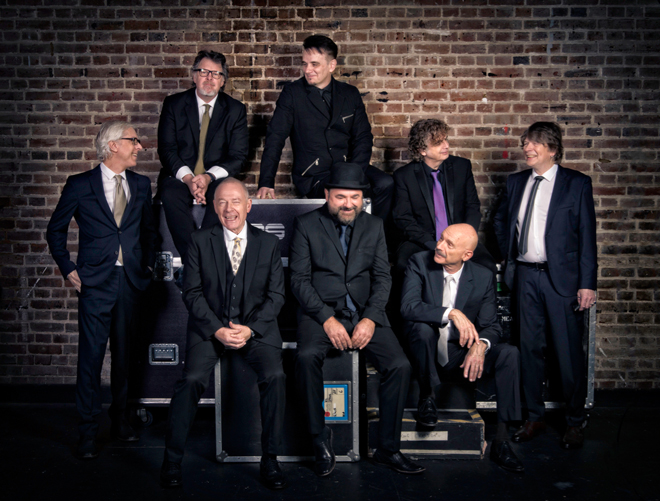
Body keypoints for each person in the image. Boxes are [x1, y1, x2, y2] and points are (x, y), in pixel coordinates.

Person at [289, 163, 424, 476]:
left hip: (365, 313)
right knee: (305, 358)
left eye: (355, 197)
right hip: (320, 313)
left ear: (363, 198)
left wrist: (371, 318)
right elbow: (298, 279)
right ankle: (319, 439)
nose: (348, 204)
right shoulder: (305, 224)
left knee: (400, 366)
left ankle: (388, 448)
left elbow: (383, 277)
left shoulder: (374, 225)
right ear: (327, 195)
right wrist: (326, 318)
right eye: (340, 197)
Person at [160, 179, 287, 490]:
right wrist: (217, 329)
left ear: (248, 205)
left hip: (255, 328)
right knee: (191, 380)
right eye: (221, 202)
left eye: (235, 201)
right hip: (210, 326)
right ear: (213, 207)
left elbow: (276, 296)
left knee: (275, 376)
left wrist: (251, 329)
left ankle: (270, 458)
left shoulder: (268, 243)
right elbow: (191, 292)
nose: (229, 209)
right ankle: (172, 459)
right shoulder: (199, 241)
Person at [46, 121, 158, 459]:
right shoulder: (80, 185)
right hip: (95, 282)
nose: (139, 146)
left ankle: (120, 421)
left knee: (125, 357)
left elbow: (149, 231)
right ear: (113, 145)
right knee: (91, 358)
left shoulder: (141, 184)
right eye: (133, 140)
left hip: (131, 281)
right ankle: (87, 432)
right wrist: (68, 269)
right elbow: (55, 230)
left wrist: (146, 265)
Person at [493, 122, 597, 449]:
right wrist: (508, 254)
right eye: (525, 142)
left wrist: (587, 283)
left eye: (534, 143)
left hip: (561, 280)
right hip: (524, 276)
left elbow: (587, 236)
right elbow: (500, 220)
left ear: (552, 149)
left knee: (567, 353)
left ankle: (575, 421)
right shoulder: (516, 182)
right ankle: (534, 417)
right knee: (528, 350)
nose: (527, 148)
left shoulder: (576, 184)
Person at [400, 223, 523, 473]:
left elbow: (491, 326)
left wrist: (481, 345)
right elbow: (408, 307)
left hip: (459, 352)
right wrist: (452, 313)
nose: (439, 246)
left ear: (466, 255)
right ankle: (427, 397)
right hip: (425, 352)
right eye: (441, 239)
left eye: (449, 244)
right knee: (422, 329)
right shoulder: (419, 262)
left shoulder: (482, 276)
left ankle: (501, 440)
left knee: (509, 354)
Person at [256, 35, 394, 219]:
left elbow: (363, 138)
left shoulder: (350, 94)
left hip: (349, 167)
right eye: (305, 64)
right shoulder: (292, 94)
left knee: (385, 183)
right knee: (340, 193)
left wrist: (354, 173)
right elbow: (275, 137)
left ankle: (371, 233)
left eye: (314, 64)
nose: (307, 70)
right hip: (315, 174)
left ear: (332, 65)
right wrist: (266, 181)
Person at [157, 50, 248, 259]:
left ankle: (198, 260)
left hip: (215, 177)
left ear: (223, 81)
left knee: (224, 195)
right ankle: (197, 260)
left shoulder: (235, 110)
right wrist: (189, 179)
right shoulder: (174, 104)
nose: (209, 78)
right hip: (179, 176)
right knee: (169, 192)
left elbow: (238, 156)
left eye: (216, 74)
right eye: (204, 72)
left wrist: (208, 177)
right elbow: (166, 149)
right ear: (194, 75)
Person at [393, 119, 495, 275]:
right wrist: (431, 243)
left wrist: (465, 238)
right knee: (403, 265)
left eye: (446, 139)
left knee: (487, 265)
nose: (446, 145)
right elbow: (403, 218)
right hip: (423, 241)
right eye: (438, 143)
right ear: (422, 150)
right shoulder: (404, 176)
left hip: (460, 240)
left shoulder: (462, 167)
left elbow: (472, 206)